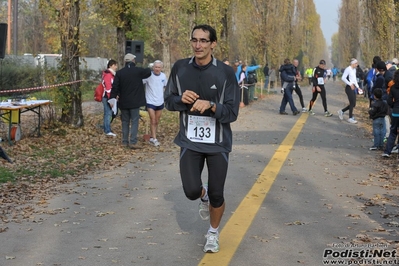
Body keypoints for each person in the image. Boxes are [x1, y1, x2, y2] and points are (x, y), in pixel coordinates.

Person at [164, 24, 240, 253]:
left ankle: (212, 233)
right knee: (190, 191)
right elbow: (168, 101)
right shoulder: (180, 68)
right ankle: (202, 194)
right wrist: (181, 100)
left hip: (218, 143)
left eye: (204, 41)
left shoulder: (226, 73)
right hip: (190, 140)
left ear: (213, 44)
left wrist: (212, 105)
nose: (198, 45)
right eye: (194, 40)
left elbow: (232, 112)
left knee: (218, 193)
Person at [110, 53, 151, 149]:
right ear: (133, 61)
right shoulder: (138, 71)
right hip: (135, 101)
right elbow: (148, 72)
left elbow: (114, 87)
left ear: (125, 62)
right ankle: (133, 141)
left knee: (125, 121)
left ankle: (124, 141)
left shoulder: (119, 73)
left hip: (123, 102)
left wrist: (112, 99)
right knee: (135, 121)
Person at [143, 60, 167, 147]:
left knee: (156, 121)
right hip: (150, 101)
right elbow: (140, 82)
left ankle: (153, 135)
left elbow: (165, 86)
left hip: (160, 101)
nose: (157, 69)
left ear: (161, 68)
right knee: (152, 120)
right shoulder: (149, 76)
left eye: (159, 67)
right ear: (153, 67)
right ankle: (154, 138)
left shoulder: (163, 76)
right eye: (156, 67)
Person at [337, 58, 361, 124]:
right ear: (352, 63)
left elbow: (355, 80)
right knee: (352, 103)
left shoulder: (354, 70)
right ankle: (350, 118)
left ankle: (341, 111)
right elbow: (343, 78)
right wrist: (350, 84)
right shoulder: (348, 69)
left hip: (353, 87)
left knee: (353, 104)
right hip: (348, 88)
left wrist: (358, 87)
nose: (357, 65)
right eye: (356, 63)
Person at [382, 69, 399, 157]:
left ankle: (387, 151)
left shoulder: (393, 87)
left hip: (396, 112)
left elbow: (389, 100)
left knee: (393, 131)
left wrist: (393, 106)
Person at [101, 59, 118, 137]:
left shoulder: (110, 74)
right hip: (107, 97)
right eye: (115, 65)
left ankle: (106, 127)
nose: (116, 67)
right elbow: (108, 88)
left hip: (108, 97)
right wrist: (110, 100)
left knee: (107, 113)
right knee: (108, 113)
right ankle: (107, 130)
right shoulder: (108, 75)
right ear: (111, 66)